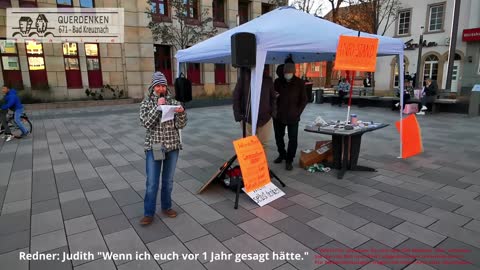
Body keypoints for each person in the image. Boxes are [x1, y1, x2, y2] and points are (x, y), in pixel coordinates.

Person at [139, 72, 187, 225]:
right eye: (158, 86)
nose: (161, 89)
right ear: (153, 87)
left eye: (163, 86)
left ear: (166, 87)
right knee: (152, 182)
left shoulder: (173, 101)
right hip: (155, 147)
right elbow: (146, 123)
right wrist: (158, 108)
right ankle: (148, 213)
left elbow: (181, 125)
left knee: (168, 180)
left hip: (172, 146)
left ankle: (166, 207)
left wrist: (181, 113)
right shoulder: (146, 103)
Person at [233, 67, 278, 150]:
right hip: (248, 118)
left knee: (263, 144)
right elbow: (236, 97)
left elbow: (273, 98)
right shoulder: (243, 79)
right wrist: (238, 114)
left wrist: (273, 112)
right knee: (249, 144)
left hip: (265, 118)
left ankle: (261, 163)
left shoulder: (267, 80)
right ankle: (251, 162)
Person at [273, 62, 307, 171]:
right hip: (279, 115)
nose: (287, 74)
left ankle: (289, 160)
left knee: (293, 139)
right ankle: (282, 154)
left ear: (293, 72)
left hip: (293, 116)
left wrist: (298, 112)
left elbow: (304, 99)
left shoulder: (299, 83)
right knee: (279, 136)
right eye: (286, 72)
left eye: (289, 72)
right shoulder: (278, 82)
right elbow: (272, 96)